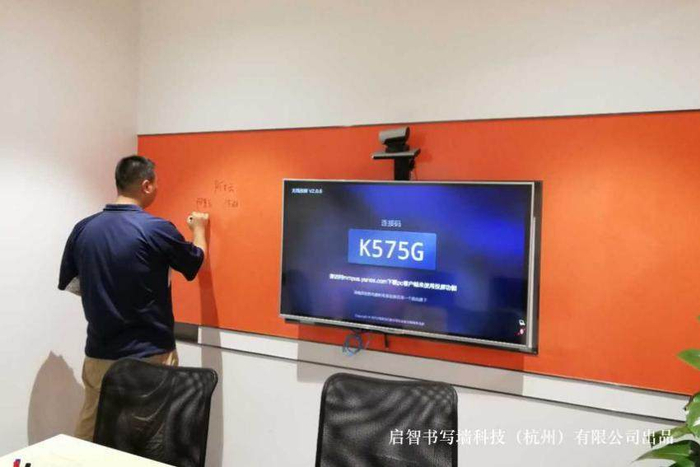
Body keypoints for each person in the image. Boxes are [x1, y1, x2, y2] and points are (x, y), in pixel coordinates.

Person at [58, 155, 209, 441]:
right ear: (146, 185)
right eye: (156, 183)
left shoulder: (84, 229)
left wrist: (107, 297)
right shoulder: (156, 229)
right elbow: (195, 262)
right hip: (149, 356)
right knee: (150, 439)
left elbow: (75, 285)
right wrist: (199, 230)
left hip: (99, 354)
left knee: (91, 434)